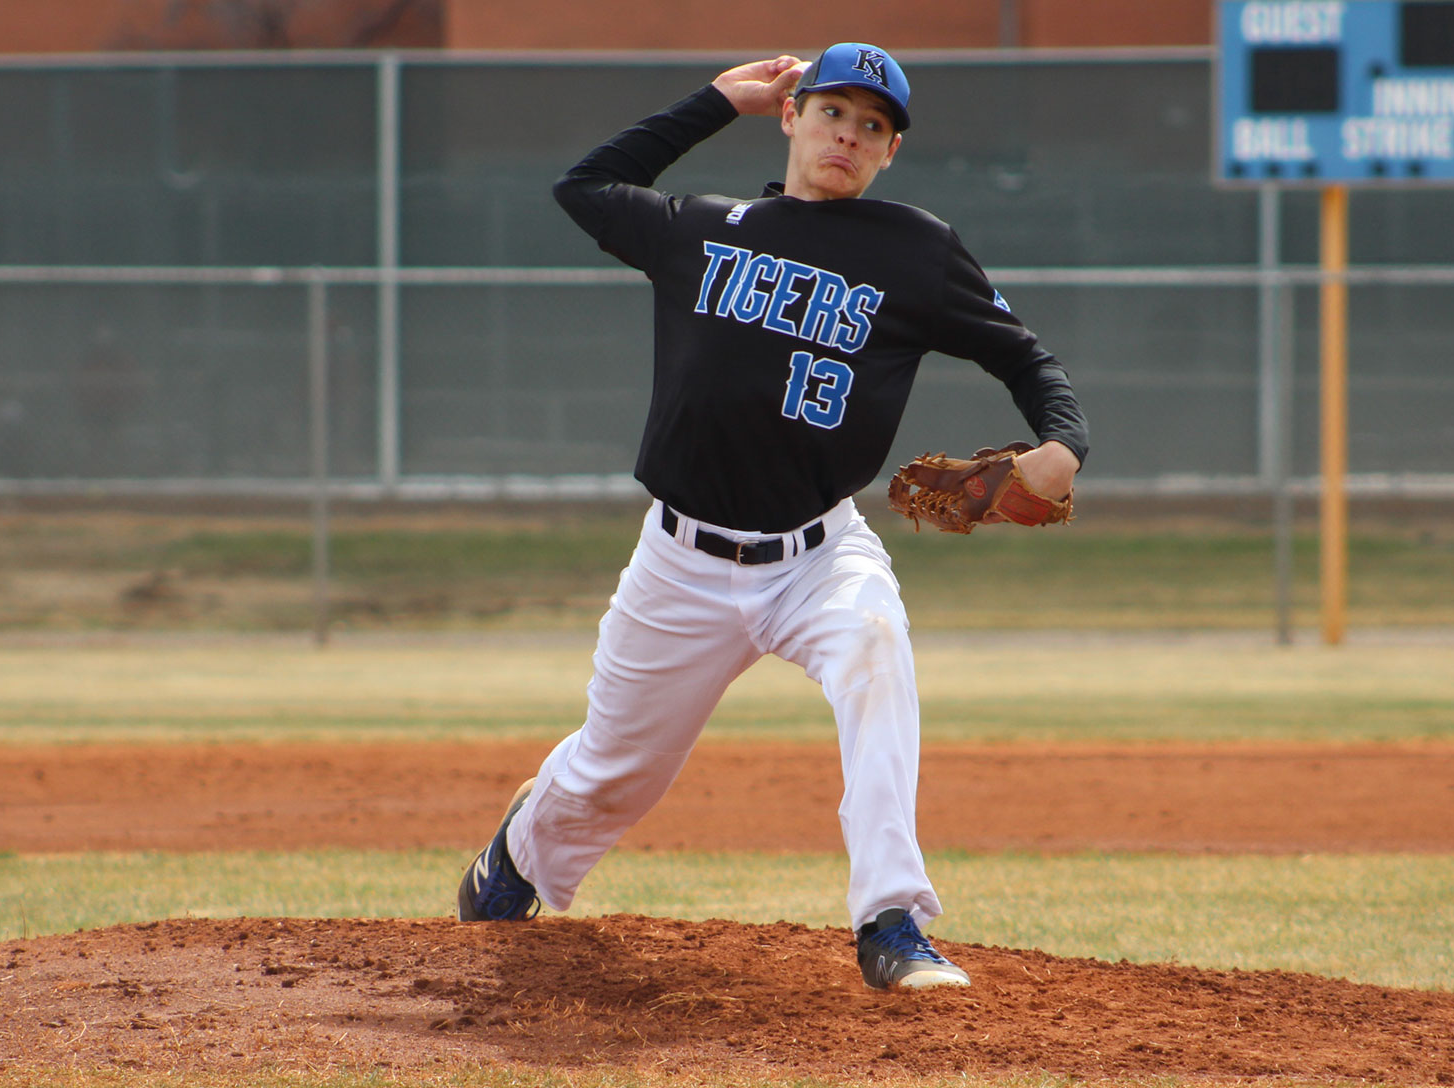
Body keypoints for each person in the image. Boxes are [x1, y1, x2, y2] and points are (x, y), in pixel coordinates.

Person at [455, 43, 1088, 991]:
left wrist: (1063, 442)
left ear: (889, 153)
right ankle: (516, 861)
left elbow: (1028, 361)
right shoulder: (704, 229)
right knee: (613, 774)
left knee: (875, 647)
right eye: (833, 112)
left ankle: (891, 922)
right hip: (681, 560)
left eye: (873, 126)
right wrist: (715, 100)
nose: (849, 135)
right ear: (792, 117)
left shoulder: (916, 250)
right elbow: (584, 187)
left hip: (817, 553)